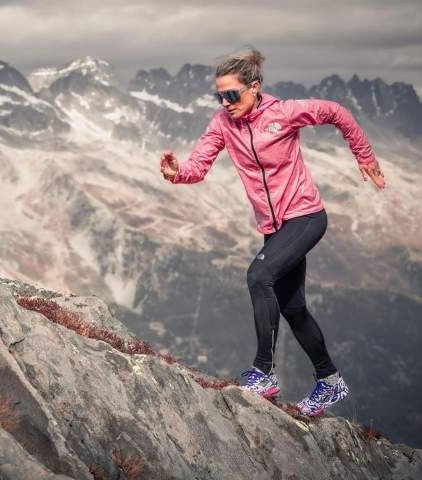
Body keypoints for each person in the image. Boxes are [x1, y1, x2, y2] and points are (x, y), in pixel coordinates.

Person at [159, 48, 385, 417]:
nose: (225, 102)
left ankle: (263, 372)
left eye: (231, 94)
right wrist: (176, 172)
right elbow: (198, 166)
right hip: (274, 228)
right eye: (219, 95)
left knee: (258, 275)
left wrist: (364, 156)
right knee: (293, 309)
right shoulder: (222, 124)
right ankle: (330, 382)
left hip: (306, 217)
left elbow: (336, 113)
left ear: (254, 88)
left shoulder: (283, 113)